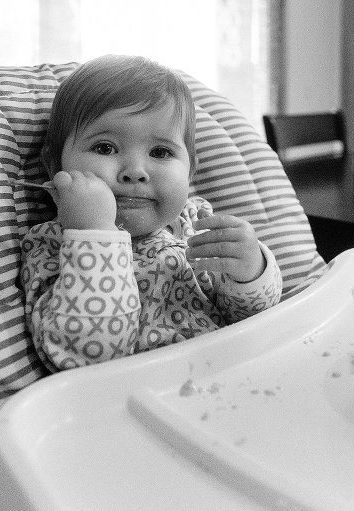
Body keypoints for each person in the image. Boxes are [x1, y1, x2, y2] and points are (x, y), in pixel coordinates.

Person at [20, 55, 282, 371]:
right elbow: (86, 355)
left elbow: (251, 320)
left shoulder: (196, 227)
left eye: (160, 152)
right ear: (55, 165)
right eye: (105, 147)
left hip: (228, 378)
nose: (135, 172)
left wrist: (251, 270)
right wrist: (95, 235)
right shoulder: (52, 243)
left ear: (190, 172)